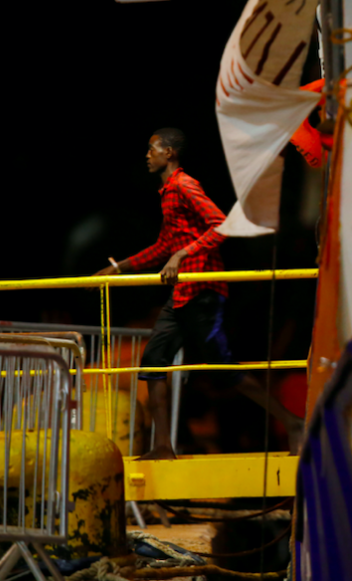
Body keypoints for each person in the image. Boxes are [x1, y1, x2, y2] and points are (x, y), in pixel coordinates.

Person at [94, 128, 303, 459]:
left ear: (170, 153)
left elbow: (220, 225)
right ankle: (163, 446)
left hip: (203, 289)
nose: (148, 155)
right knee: (153, 363)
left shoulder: (185, 184)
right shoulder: (168, 192)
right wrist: (120, 266)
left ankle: (293, 423)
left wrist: (182, 255)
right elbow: (165, 244)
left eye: (153, 149)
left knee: (222, 369)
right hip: (182, 293)